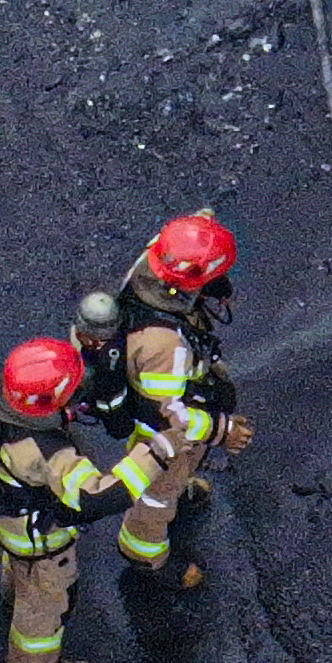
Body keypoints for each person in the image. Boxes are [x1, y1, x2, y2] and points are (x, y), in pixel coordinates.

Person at [0, 337, 160, 663]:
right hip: (41, 544)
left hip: (5, 518)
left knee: (18, 572)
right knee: (45, 604)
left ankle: (11, 596)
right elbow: (95, 498)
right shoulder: (46, 454)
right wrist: (153, 457)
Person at [105, 212, 247, 593]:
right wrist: (222, 430)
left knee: (180, 476)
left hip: (174, 405)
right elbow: (172, 417)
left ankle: (179, 489)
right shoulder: (162, 347)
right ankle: (145, 554)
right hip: (162, 435)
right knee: (158, 492)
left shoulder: (157, 259)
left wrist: (201, 229)